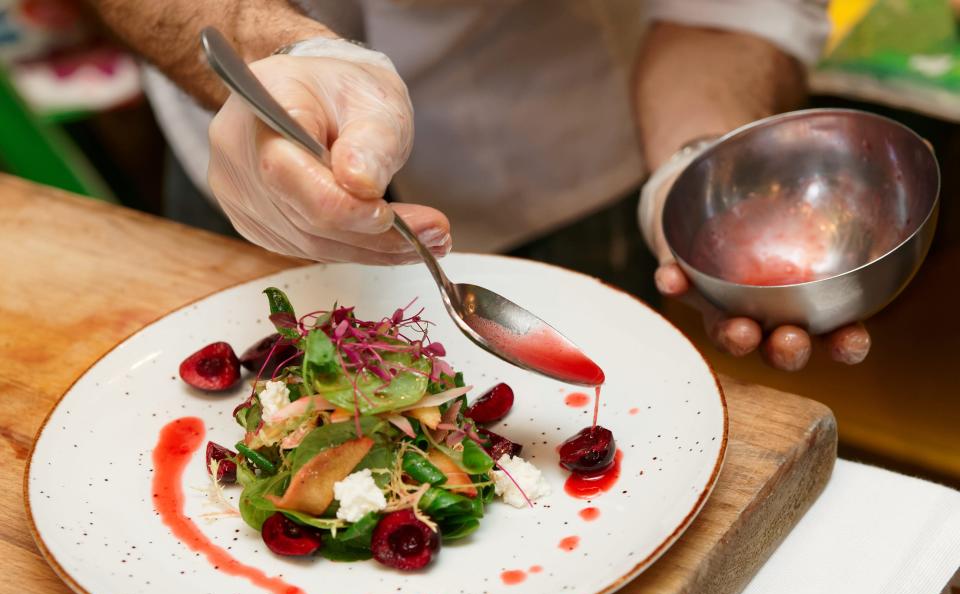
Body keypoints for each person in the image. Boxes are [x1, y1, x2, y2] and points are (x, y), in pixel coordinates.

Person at [88, 0, 870, 371]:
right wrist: (278, 59)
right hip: (244, 132)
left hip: (558, 146)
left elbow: (724, 11)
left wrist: (695, 173)